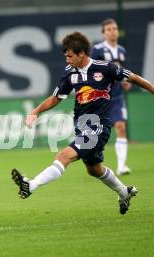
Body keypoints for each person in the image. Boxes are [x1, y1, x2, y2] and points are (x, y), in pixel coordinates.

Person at [11, 32, 154, 215]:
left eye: (70, 55)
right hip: (83, 126)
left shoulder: (106, 68)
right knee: (94, 170)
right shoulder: (69, 73)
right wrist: (36, 111)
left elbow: (133, 78)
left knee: (64, 156)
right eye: (65, 55)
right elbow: (57, 98)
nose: (67, 59)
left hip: (99, 126)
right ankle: (123, 192)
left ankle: (30, 185)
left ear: (82, 54)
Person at [91, 18, 131, 175]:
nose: (112, 31)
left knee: (121, 127)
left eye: (114, 28)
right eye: (108, 29)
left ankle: (121, 166)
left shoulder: (121, 50)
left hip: (117, 96)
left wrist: (125, 81)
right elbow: (92, 71)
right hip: (101, 96)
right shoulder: (97, 50)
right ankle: (92, 161)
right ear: (103, 33)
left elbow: (121, 72)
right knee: (97, 131)